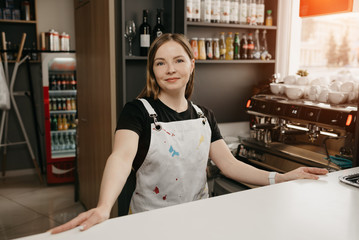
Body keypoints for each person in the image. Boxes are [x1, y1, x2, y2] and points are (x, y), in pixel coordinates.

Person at [51, 33, 328, 234]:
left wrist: (280, 178)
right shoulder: (136, 111)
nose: (170, 69)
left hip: (197, 219)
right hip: (150, 223)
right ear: (153, 70)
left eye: (178, 60)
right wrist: (103, 206)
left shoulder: (204, 115)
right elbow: (121, 158)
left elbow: (228, 164)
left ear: (192, 64)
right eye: (160, 63)